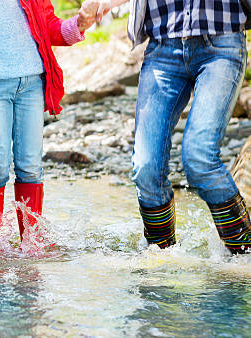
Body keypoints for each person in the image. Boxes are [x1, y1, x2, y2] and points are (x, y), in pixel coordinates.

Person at [0, 0, 106, 247]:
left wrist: (79, 24)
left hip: (32, 85)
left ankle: (32, 242)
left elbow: (48, 25)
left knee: (30, 167)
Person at [107, 0, 251, 254]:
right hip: (162, 48)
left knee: (200, 158)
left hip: (221, 44)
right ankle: (162, 259)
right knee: (146, 167)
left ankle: (244, 255)